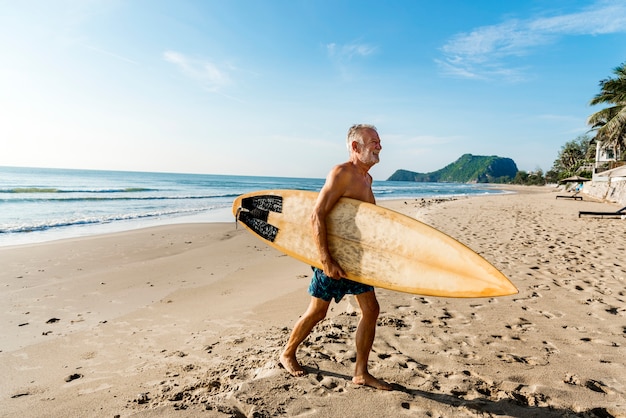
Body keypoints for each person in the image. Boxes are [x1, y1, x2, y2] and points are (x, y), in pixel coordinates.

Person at [279, 124, 392, 391]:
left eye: (379, 141)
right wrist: (326, 260)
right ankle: (287, 353)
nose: (379, 146)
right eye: (373, 141)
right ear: (355, 146)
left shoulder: (367, 179)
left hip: (355, 258)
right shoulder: (341, 173)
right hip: (333, 257)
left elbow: (365, 220)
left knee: (371, 310)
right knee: (318, 312)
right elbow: (316, 215)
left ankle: (361, 372)